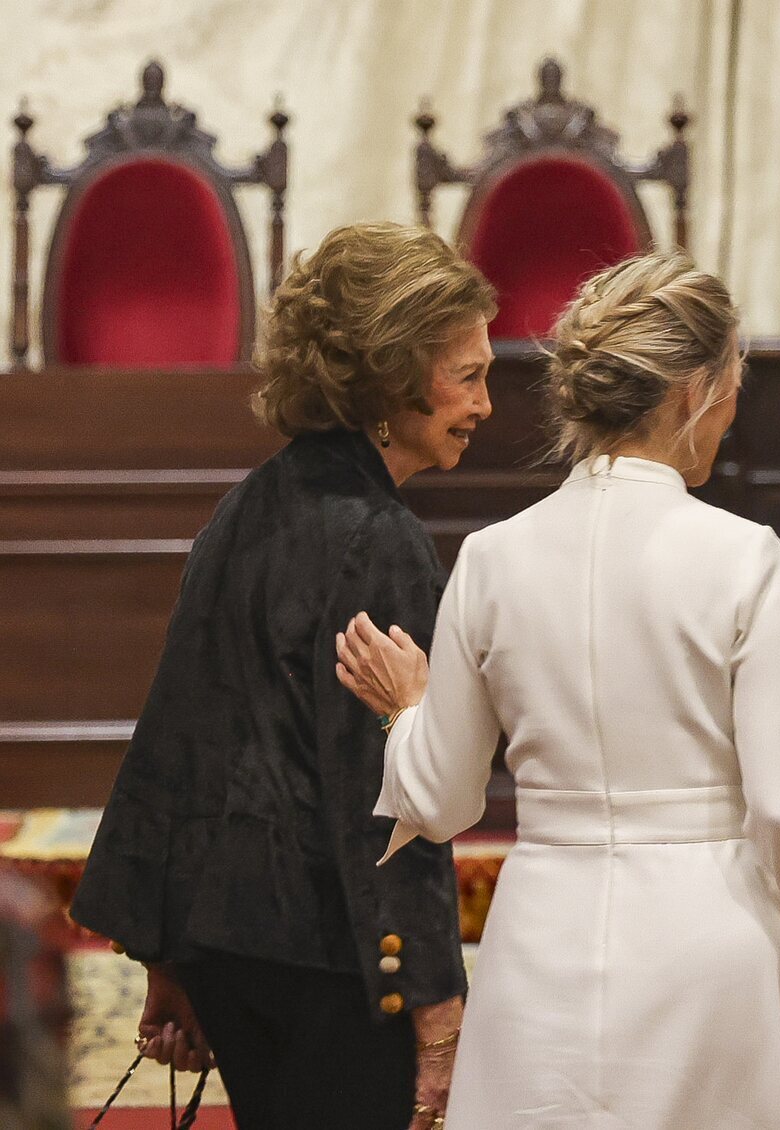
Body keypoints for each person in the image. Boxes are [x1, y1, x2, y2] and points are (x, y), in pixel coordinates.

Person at [336, 250, 780, 1129]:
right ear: (687, 392)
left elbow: (437, 799)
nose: (734, 411)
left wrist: (406, 712)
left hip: (542, 939)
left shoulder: (490, 557)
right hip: (714, 943)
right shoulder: (745, 558)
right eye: (733, 383)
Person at [70, 222, 497, 1130]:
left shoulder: (249, 502)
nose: (487, 404)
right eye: (468, 376)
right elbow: (384, 798)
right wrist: (435, 1005)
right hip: (332, 964)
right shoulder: (383, 543)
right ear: (392, 380)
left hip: (228, 949)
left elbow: (176, 738)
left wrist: (170, 959)